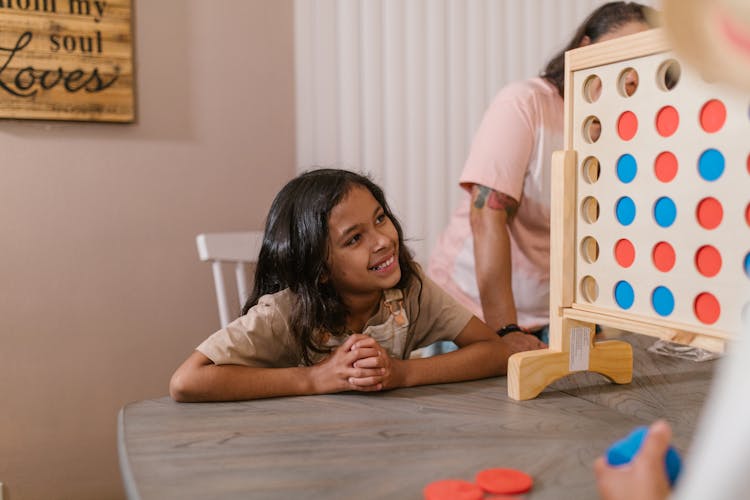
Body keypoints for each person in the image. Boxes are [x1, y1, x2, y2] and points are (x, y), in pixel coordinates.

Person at [170, 169, 545, 402]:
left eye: (380, 219)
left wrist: (402, 372)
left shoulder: (408, 291)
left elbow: (493, 352)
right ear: (321, 271)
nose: (382, 240)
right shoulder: (285, 312)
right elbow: (187, 381)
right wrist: (316, 379)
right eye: (354, 239)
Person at [427, 2, 655, 346]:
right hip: (473, 313)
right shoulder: (526, 104)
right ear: (585, 50)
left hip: (559, 313)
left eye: (646, 58)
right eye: (625, 51)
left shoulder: (635, 134)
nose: (633, 72)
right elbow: (487, 217)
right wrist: (506, 331)